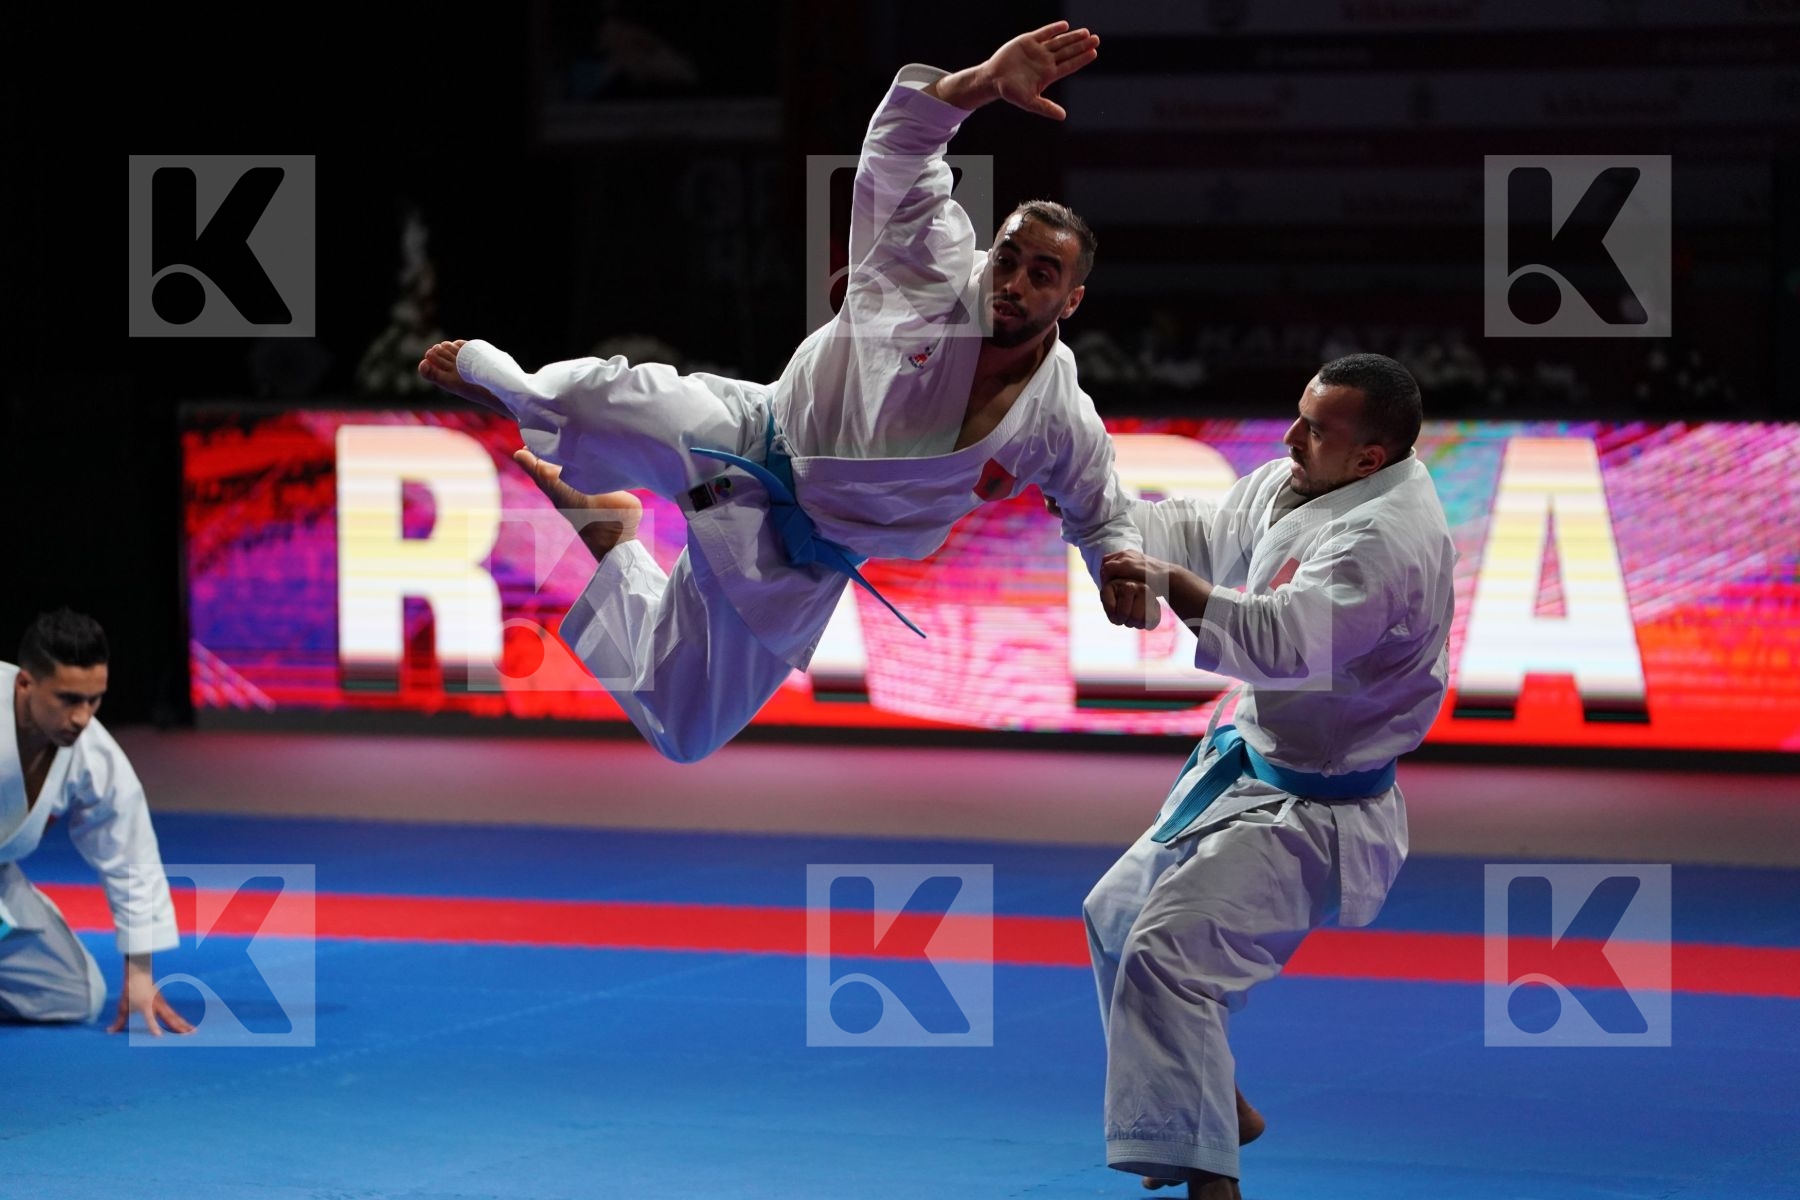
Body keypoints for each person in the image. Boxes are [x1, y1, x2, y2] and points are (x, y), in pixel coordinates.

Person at [418, 21, 1153, 763]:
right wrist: (983, 83)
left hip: (805, 555)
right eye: (1009, 258)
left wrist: (1117, 567)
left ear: (1072, 301)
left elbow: (1102, 515)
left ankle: (610, 537)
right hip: (747, 439)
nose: (1014, 282)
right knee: (576, 403)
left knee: (684, 730)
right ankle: (502, 375)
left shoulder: (1059, 420)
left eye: (1041, 275)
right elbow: (900, 146)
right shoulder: (928, 268)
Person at [1084, 354, 1457, 1198]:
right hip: (1251, 767)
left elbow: (1285, 644)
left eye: (1314, 430)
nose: (1290, 437)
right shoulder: (1304, 481)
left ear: (1369, 456)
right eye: (1298, 416)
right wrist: (1089, 510)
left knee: (1169, 954)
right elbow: (1204, 528)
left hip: (1321, 810)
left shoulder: (1388, 539)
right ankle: (1220, 1104)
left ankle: (1212, 1181)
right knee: (1113, 915)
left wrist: (1174, 587)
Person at [0, 610, 188, 1034]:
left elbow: (130, 856)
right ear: (25, 683)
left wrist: (140, 974)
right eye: (68, 699)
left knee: (74, 994)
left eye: (93, 700)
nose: (83, 717)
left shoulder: (93, 752)